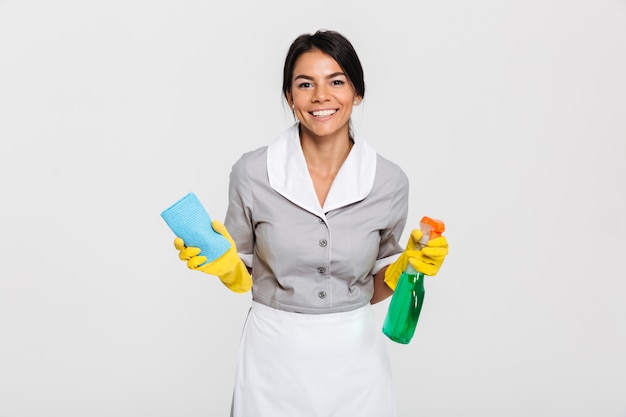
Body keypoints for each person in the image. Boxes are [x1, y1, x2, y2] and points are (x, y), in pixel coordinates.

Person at [173, 29, 449, 417]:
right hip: (273, 356)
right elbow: (245, 268)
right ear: (290, 97)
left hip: (355, 359)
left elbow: (373, 282)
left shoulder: (388, 181)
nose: (321, 96)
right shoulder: (252, 172)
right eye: (306, 84)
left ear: (357, 93)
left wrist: (408, 264)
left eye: (336, 81)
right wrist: (228, 269)